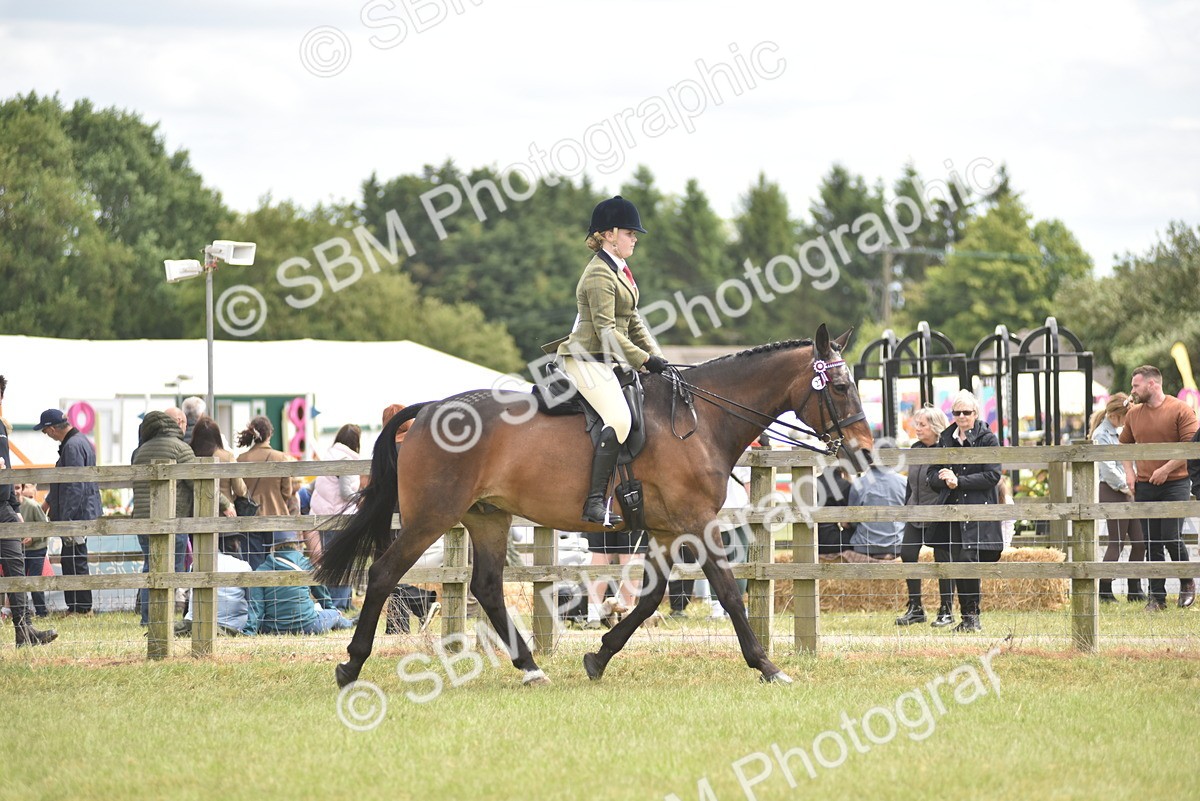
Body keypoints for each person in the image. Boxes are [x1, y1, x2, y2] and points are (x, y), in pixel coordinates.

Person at [549, 195, 668, 528]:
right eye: (630, 233)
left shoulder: (620, 271)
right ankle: (594, 502)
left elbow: (633, 322)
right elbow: (606, 331)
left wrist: (659, 359)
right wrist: (644, 359)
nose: (635, 239)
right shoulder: (599, 274)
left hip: (607, 359)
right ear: (609, 234)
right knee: (619, 418)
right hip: (585, 358)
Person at [1119, 365, 1198, 610]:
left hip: (1176, 483)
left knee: (1171, 537)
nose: (1132, 390)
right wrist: (1129, 472)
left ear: (1152, 384)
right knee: (1151, 541)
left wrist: (1166, 469)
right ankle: (1157, 597)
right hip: (1145, 484)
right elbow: (1124, 445)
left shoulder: (1180, 409)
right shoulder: (1133, 414)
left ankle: (1186, 582)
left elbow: (1191, 447)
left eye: (1136, 385)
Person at [928, 389, 1003, 633]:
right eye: (957, 413)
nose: (961, 417)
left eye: (966, 412)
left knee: (969, 561)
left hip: (978, 511)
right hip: (953, 513)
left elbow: (992, 475)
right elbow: (931, 474)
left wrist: (958, 481)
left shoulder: (988, 439)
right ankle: (967, 618)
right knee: (958, 562)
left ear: (976, 413)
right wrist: (944, 478)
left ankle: (972, 617)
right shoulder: (946, 438)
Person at [0, 376, 58, 647]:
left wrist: (15, 506)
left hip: (4, 509)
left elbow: (8, 468)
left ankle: (25, 631)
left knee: (16, 568)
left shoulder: (1, 427)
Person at [35, 407, 101, 615]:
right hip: (80, 510)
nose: (46, 435)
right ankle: (77, 606)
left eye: (45, 431)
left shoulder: (72, 446)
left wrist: (66, 517)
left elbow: (74, 485)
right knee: (72, 558)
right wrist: (49, 502)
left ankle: (82, 608)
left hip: (76, 514)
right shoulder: (79, 441)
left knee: (75, 559)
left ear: (52, 429)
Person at [131, 410, 195, 626]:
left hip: (143, 520)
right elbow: (197, 481)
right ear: (176, 424)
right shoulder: (180, 448)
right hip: (172, 519)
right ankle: (163, 620)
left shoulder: (140, 451)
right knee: (171, 571)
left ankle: (148, 618)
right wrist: (224, 504)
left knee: (150, 568)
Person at [895, 406, 953, 626]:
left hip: (938, 513)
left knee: (942, 560)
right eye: (916, 424)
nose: (917, 428)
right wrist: (906, 507)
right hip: (915, 511)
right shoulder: (915, 449)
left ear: (935, 427)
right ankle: (915, 608)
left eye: (922, 425)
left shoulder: (946, 449)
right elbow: (911, 485)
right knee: (907, 554)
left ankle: (946, 610)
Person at [1089, 394, 1146, 602]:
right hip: (1113, 490)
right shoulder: (1101, 434)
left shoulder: (1121, 431)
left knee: (1140, 542)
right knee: (1117, 541)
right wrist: (1127, 486)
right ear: (1115, 415)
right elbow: (1108, 469)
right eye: (1125, 417)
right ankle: (1105, 588)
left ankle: (1134, 588)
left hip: (1128, 489)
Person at [244, 531, 354, 635]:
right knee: (335, 615)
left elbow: (257, 607)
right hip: (309, 625)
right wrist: (332, 609)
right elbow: (322, 594)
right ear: (296, 544)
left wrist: (249, 631)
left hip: (274, 627)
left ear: (272, 546)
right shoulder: (305, 564)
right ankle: (350, 623)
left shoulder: (262, 569)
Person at [309, 424, 361, 611]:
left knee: (331, 562)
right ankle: (340, 605)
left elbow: (314, 486)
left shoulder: (329, 455)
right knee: (343, 562)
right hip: (339, 516)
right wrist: (363, 496)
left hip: (324, 515)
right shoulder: (346, 460)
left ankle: (339, 603)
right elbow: (346, 493)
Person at [235, 416, 295, 570]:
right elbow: (287, 492)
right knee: (279, 561)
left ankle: (256, 585)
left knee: (254, 562)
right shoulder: (281, 458)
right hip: (276, 514)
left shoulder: (241, 459)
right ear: (270, 434)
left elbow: (238, 490)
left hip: (250, 516)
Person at [189, 415, 245, 552]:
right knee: (230, 559)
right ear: (216, 436)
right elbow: (240, 489)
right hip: (225, 516)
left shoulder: (189, 456)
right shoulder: (227, 457)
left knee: (199, 557)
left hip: (195, 516)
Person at [848, 438, 906, 558]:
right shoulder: (904, 482)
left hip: (864, 546)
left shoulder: (859, 483)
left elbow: (852, 520)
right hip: (896, 545)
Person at [178, 545, 254, 637]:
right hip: (232, 626)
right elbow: (252, 601)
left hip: (194, 624)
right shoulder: (243, 565)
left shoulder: (197, 564)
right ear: (233, 543)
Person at [710, 466, 752, 620]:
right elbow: (749, 485)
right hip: (739, 513)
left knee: (714, 563)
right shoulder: (743, 455)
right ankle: (736, 607)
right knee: (738, 563)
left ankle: (717, 608)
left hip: (712, 513)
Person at [18, 484, 51, 617]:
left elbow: (45, 527)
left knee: (34, 580)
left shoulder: (33, 506)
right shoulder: (8, 507)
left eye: (17, 488)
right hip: (19, 549)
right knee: (19, 581)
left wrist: (33, 538)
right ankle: (22, 612)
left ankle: (41, 612)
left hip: (37, 549)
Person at [815, 465, 854, 555]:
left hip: (811, 539)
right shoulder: (845, 485)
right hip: (834, 542)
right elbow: (847, 523)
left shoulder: (812, 483)